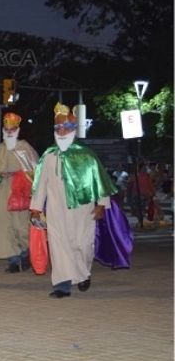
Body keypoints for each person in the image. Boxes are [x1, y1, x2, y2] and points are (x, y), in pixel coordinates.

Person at [30, 103, 116, 298]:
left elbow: (100, 181)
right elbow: (40, 185)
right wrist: (35, 208)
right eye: (58, 128)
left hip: (83, 209)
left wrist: (102, 204)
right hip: (55, 209)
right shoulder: (49, 156)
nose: (61, 131)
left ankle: (83, 274)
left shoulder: (87, 155)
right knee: (58, 245)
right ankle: (62, 285)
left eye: (66, 128)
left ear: (73, 130)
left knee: (82, 245)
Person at [0, 112, 39, 273]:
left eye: (12, 129)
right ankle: (13, 260)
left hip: (21, 192)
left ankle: (25, 254)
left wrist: (17, 174)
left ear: (17, 130)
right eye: (6, 129)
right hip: (3, 190)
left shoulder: (25, 147)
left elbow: (35, 170)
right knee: (5, 227)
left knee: (21, 227)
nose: (9, 132)